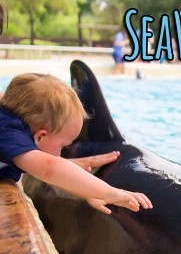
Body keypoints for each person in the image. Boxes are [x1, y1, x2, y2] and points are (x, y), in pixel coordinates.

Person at [0, 73, 152, 215]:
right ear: (40, 137)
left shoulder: (10, 128)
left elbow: (54, 176)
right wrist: (110, 192)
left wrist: (90, 192)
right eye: (62, 146)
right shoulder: (9, 134)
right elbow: (48, 169)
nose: (61, 154)